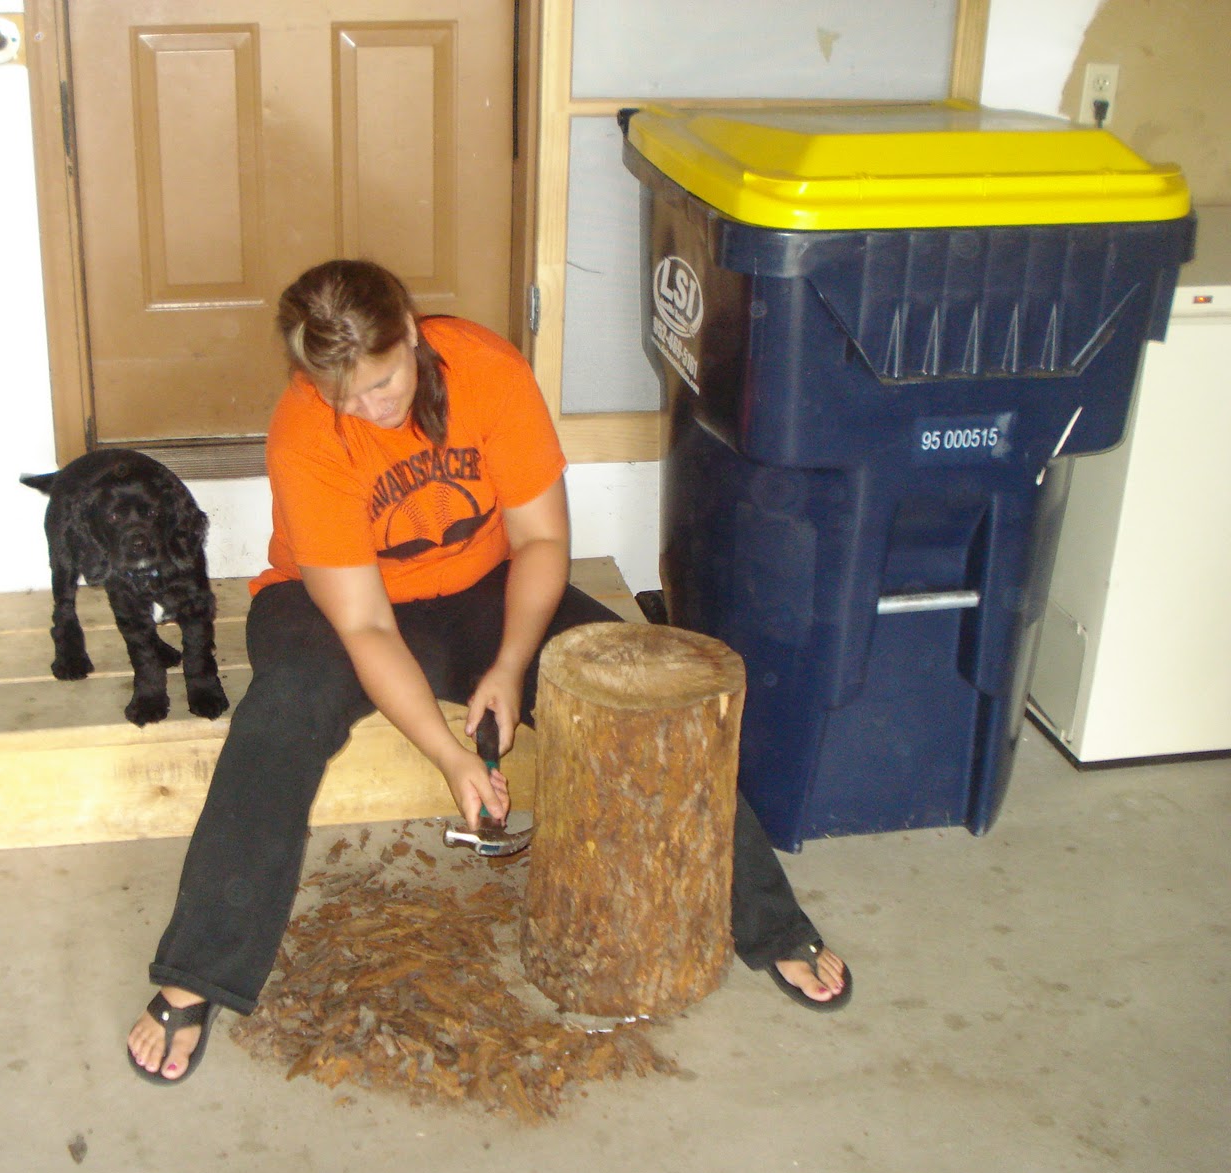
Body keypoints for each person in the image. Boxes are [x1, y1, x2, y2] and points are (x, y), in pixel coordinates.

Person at [127, 260, 849, 1085]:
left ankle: (770, 922)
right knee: (281, 714)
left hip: (482, 585)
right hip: (334, 607)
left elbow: (542, 540)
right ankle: (196, 972)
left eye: (384, 379)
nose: (370, 407)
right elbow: (362, 622)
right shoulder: (305, 429)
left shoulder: (485, 369)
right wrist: (449, 753)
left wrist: (510, 664)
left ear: (409, 331)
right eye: (346, 394)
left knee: (640, 688)